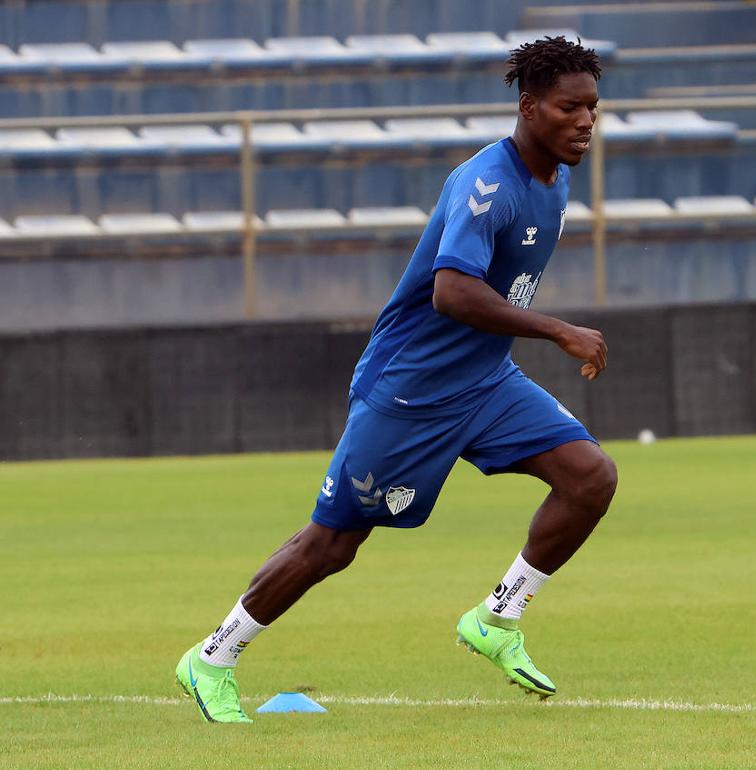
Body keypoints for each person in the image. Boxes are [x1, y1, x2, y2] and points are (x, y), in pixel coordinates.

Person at [175, 36, 616, 723]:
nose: (586, 121)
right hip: (410, 388)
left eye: (592, 107)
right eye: (570, 108)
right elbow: (452, 293)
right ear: (530, 109)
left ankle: (496, 620)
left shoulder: (554, 182)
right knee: (334, 543)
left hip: (485, 382)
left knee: (590, 477)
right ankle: (213, 657)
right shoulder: (485, 186)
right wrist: (560, 330)